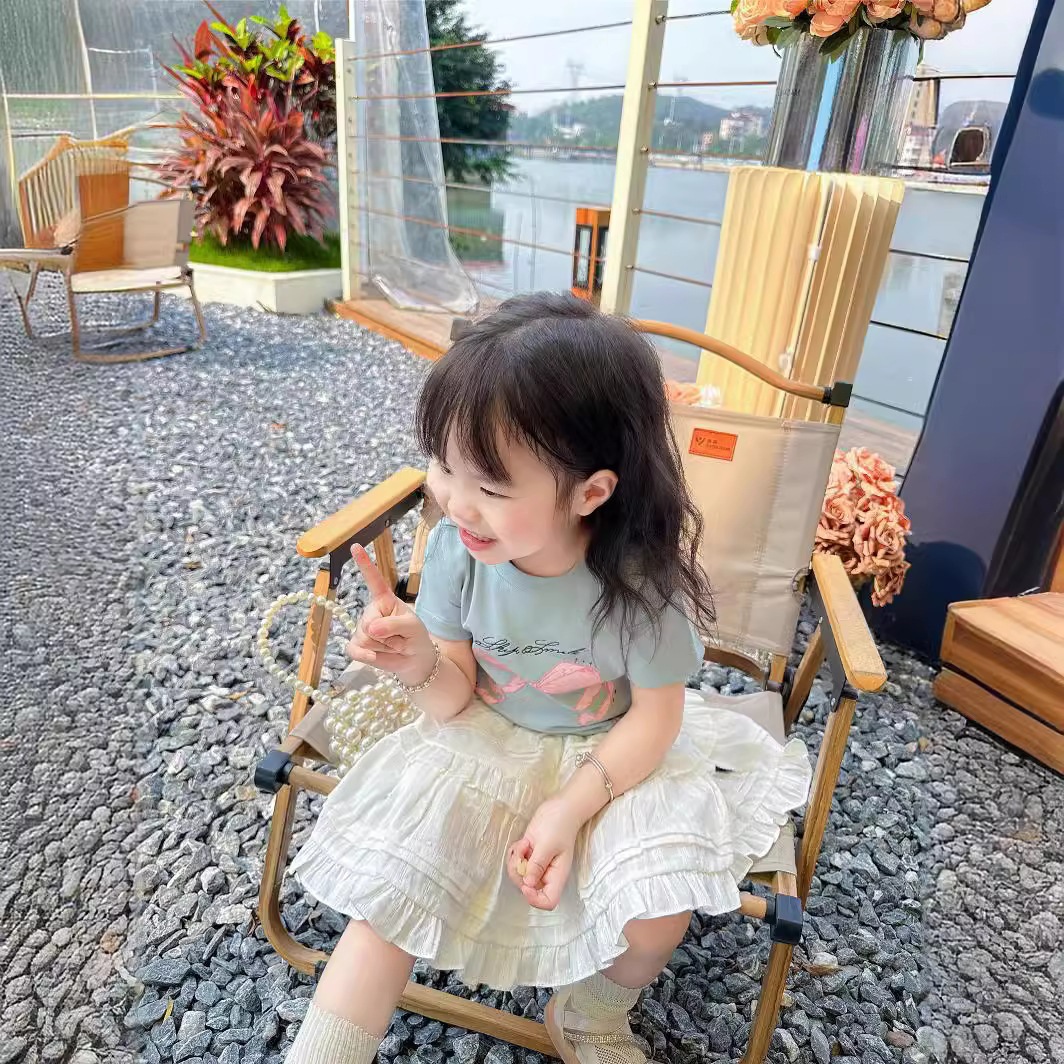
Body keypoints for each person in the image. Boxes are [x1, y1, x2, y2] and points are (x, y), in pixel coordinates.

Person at [285, 293, 811, 1064]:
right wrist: (419, 662)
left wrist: (569, 808)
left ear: (591, 492)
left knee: (656, 920)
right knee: (389, 898)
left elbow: (656, 720)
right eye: (444, 465)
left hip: (612, 753)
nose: (456, 501)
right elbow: (454, 692)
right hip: (486, 735)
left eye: (492, 488)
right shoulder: (460, 551)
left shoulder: (638, 584)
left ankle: (591, 1012)